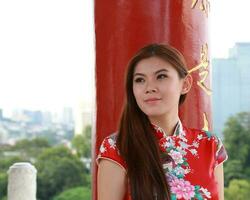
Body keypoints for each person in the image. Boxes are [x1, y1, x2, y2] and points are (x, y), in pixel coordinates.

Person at [96, 44, 228, 200]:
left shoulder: (210, 145)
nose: (149, 88)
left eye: (161, 76)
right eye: (139, 80)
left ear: (185, 84)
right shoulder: (116, 148)